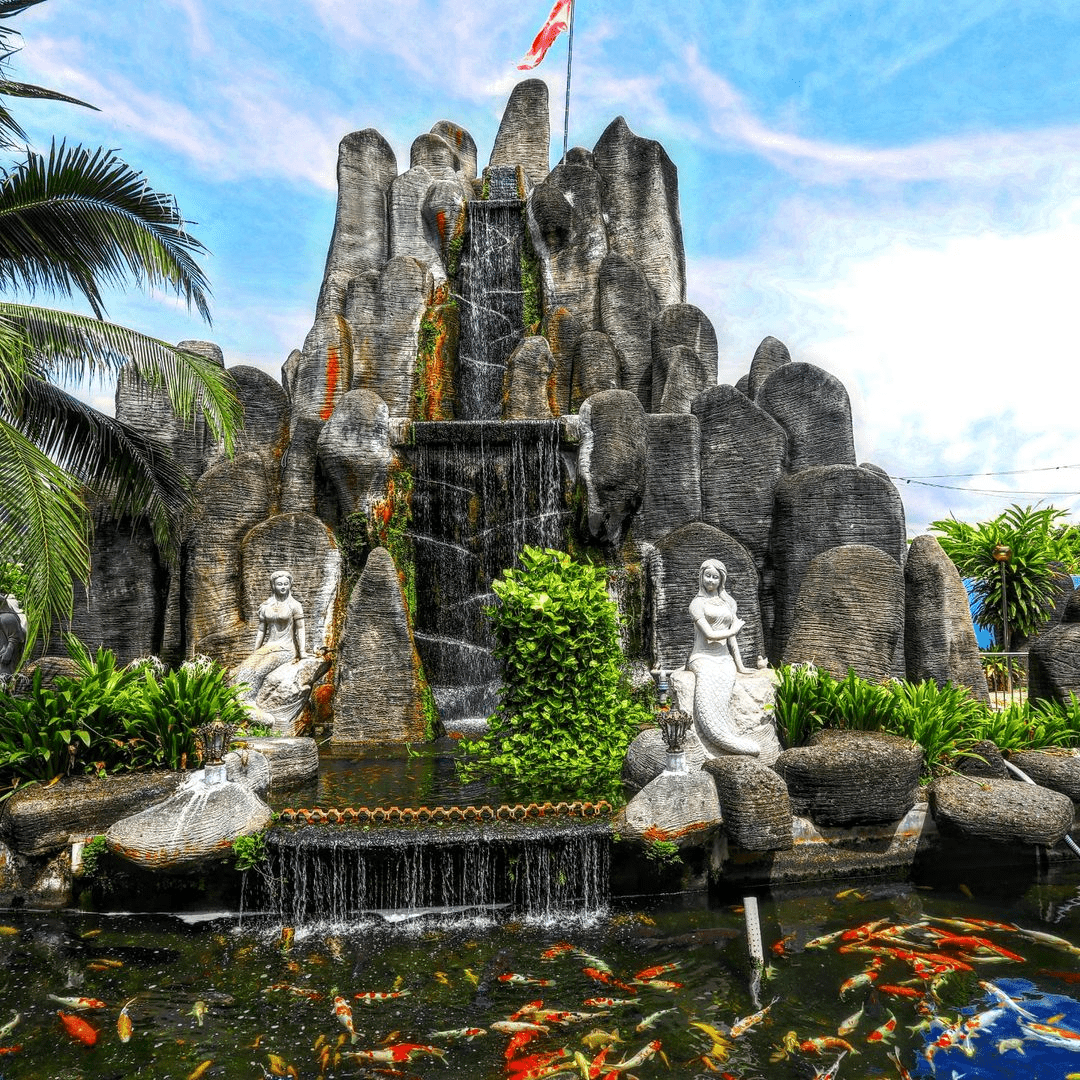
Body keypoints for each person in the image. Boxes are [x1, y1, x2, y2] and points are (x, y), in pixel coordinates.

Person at [232, 570, 325, 733]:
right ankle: (247, 704)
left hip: (285, 648)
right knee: (244, 669)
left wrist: (301, 652)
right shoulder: (266, 606)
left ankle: (249, 705)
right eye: (279, 584)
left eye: (285, 584)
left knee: (255, 672)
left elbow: (300, 629)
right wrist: (255, 652)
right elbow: (261, 630)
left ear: (290, 585)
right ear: (273, 585)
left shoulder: (294, 605)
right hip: (269, 646)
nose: (282, 587)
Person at [687, 559, 759, 756]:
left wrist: (740, 666)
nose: (711, 580)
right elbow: (709, 634)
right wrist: (733, 630)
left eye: (715, 577)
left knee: (725, 682)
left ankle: (727, 733)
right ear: (701, 577)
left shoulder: (729, 602)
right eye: (707, 576)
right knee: (707, 681)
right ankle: (715, 734)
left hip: (724, 658)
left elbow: (732, 639)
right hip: (702, 657)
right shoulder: (697, 604)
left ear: (722, 579)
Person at [0, 593, 28, 677]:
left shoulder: (7, 617)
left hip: (5, 656)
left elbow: (16, 637)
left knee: (6, 677)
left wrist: (8, 652)